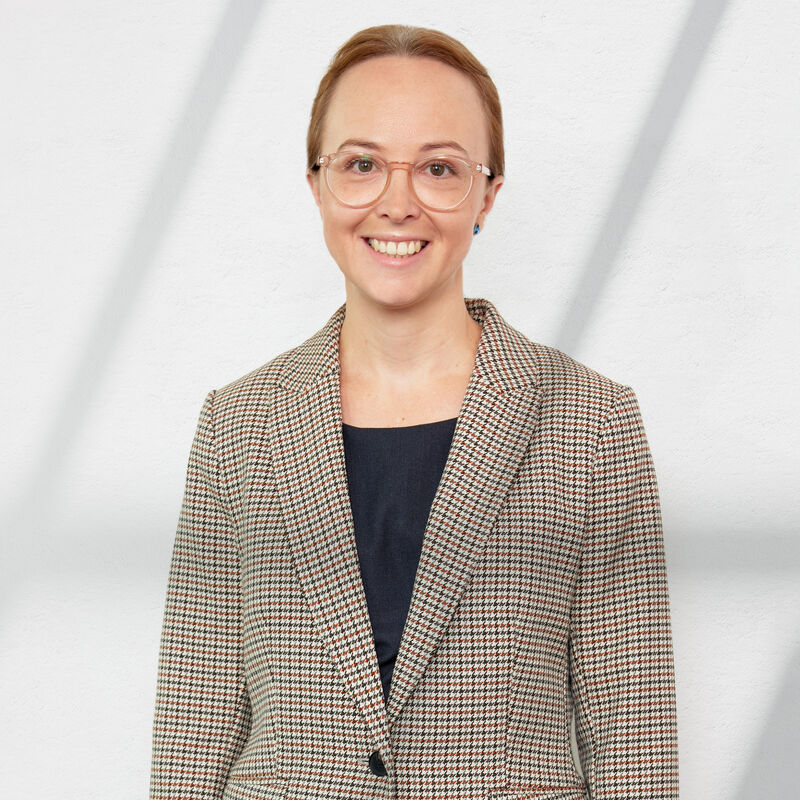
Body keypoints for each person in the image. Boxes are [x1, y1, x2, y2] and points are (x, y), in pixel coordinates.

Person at [150, 24, 678, 800]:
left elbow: (633, 738)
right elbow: (195, 723)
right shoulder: (239, 424)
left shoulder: (592, 422)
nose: (397, 204)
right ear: (317, 184)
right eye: (361, 164)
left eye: (438, 169)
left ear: (487, 196)